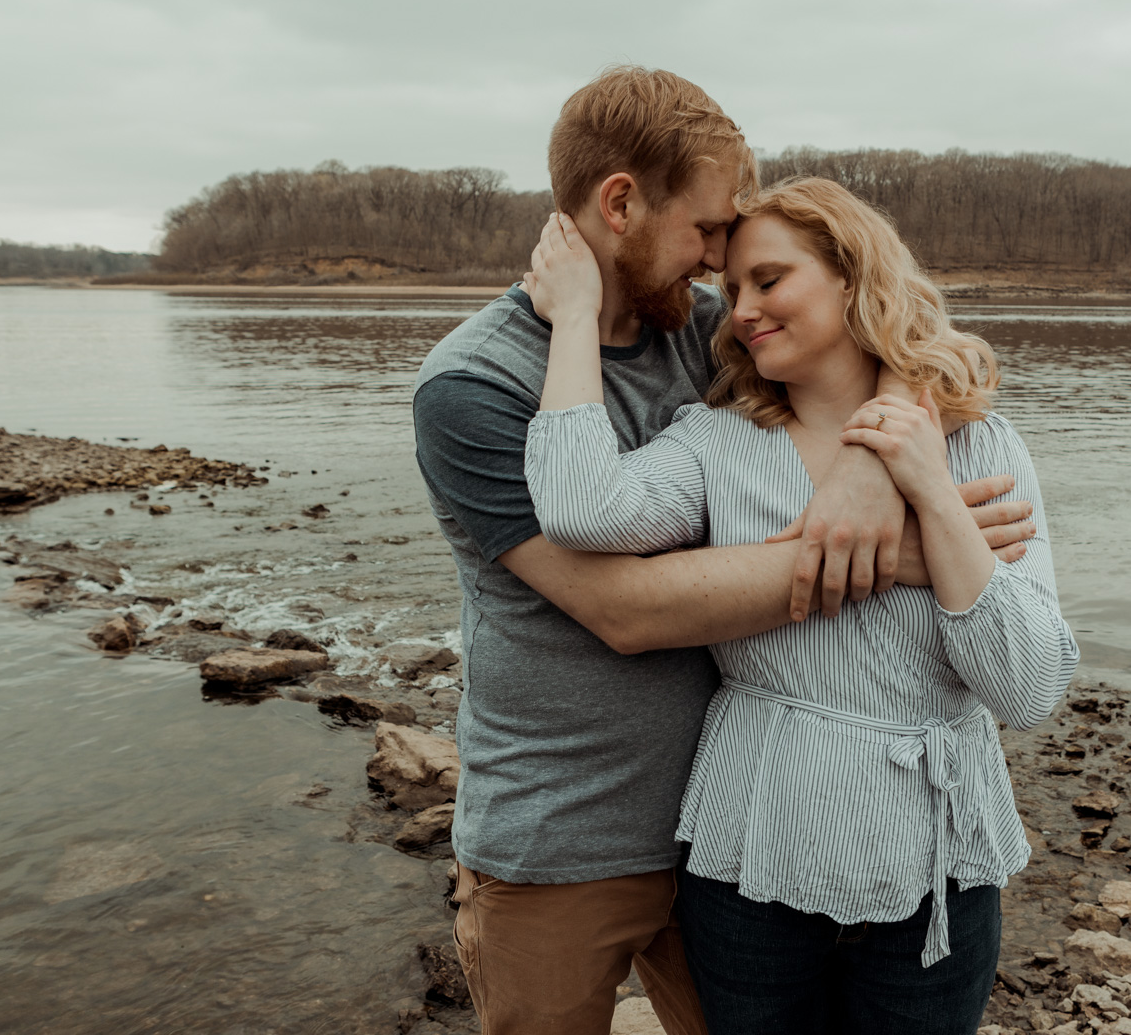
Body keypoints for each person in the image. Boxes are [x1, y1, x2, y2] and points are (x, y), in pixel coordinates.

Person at [412, 67, 1038, 1035]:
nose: (722, 271)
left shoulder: (705, 332)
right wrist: (900, 553)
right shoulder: (472, 386)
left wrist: (879, 462)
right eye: (708, 233)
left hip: (722, 825)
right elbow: (625, 608)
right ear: (620, 204)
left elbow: (882, 334)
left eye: (747, 260)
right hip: (561, 838)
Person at [519, 175, 1080, 1035]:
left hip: (938, 860)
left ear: (852, 277)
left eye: (770, 280)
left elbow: (1031, 686)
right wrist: (572, 322)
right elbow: (581, 509)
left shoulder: (978, 441)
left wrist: (927, 488)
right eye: (733, 287)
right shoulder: (716, 443)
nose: (741, 309)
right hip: (756, 846)